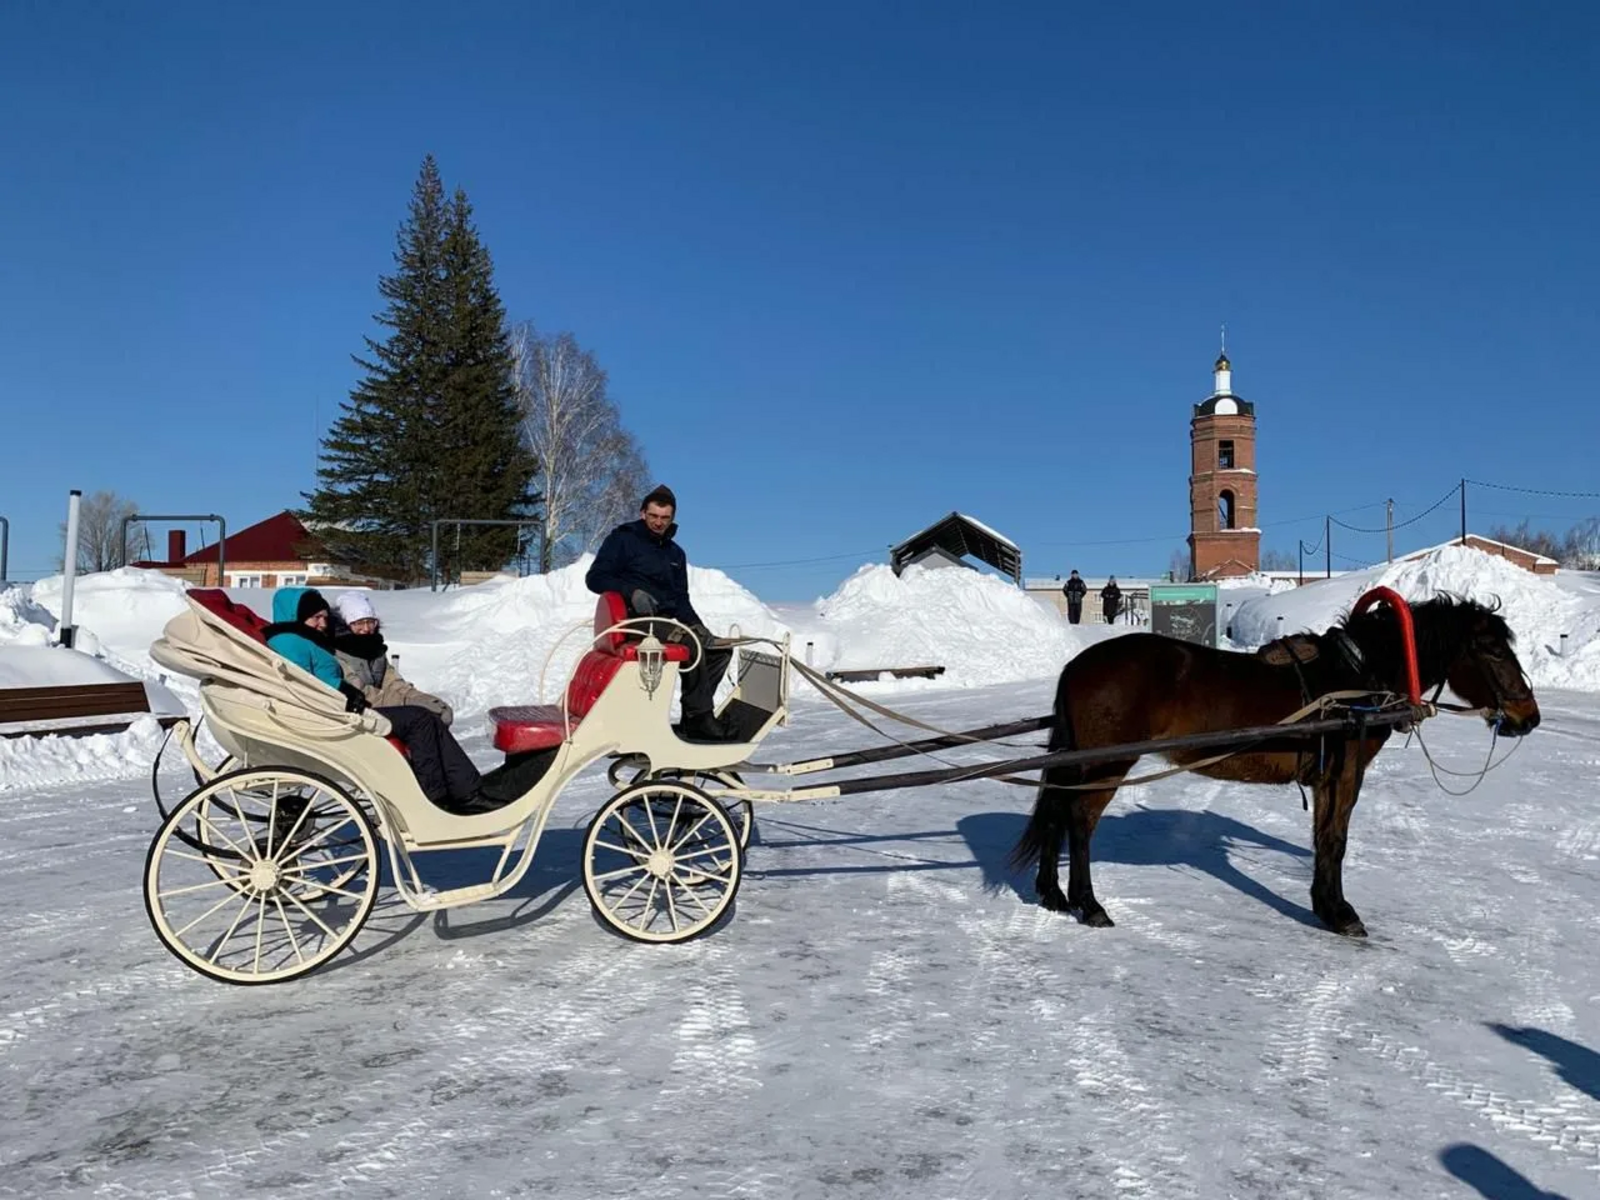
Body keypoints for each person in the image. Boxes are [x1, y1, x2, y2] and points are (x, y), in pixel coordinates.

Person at [263, 587, 506, 814]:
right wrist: (345, 690)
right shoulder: (291, 641)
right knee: (420, 720)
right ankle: (436, 798)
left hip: (342, 706)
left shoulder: (306, 639)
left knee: (426, 718)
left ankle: (466, 791)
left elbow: (386, 681)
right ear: (296, 616)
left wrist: (417, 698)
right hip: (335, 713)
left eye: (325, 617)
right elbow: (303, 683)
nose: (323, 624)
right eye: (316, 617)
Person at [586, 484, 734, 741]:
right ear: (643, 513)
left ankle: (692, 718)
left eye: (665, 518)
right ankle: (701, 718)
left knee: (718, 650)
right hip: (632, 620)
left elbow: (680, 599)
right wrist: (631, 592)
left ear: (672, 518)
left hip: (662, 622)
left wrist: (697, 625)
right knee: (690, 643)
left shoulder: (675, 554)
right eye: (653, 516)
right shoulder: (623, 540)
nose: (658, 522)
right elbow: (595, 578)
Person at [330, 591, 453, 725]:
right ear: (346, 624)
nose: (366, 628)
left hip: (381, 710)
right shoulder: (337, 653)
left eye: (370, 622)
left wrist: (424, 699)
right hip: (356, 714)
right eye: (359, 623)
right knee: (420, 722)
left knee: (435, 718)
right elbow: (361, 692)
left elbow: (393, 683)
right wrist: (408, 702)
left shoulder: (375, 649)